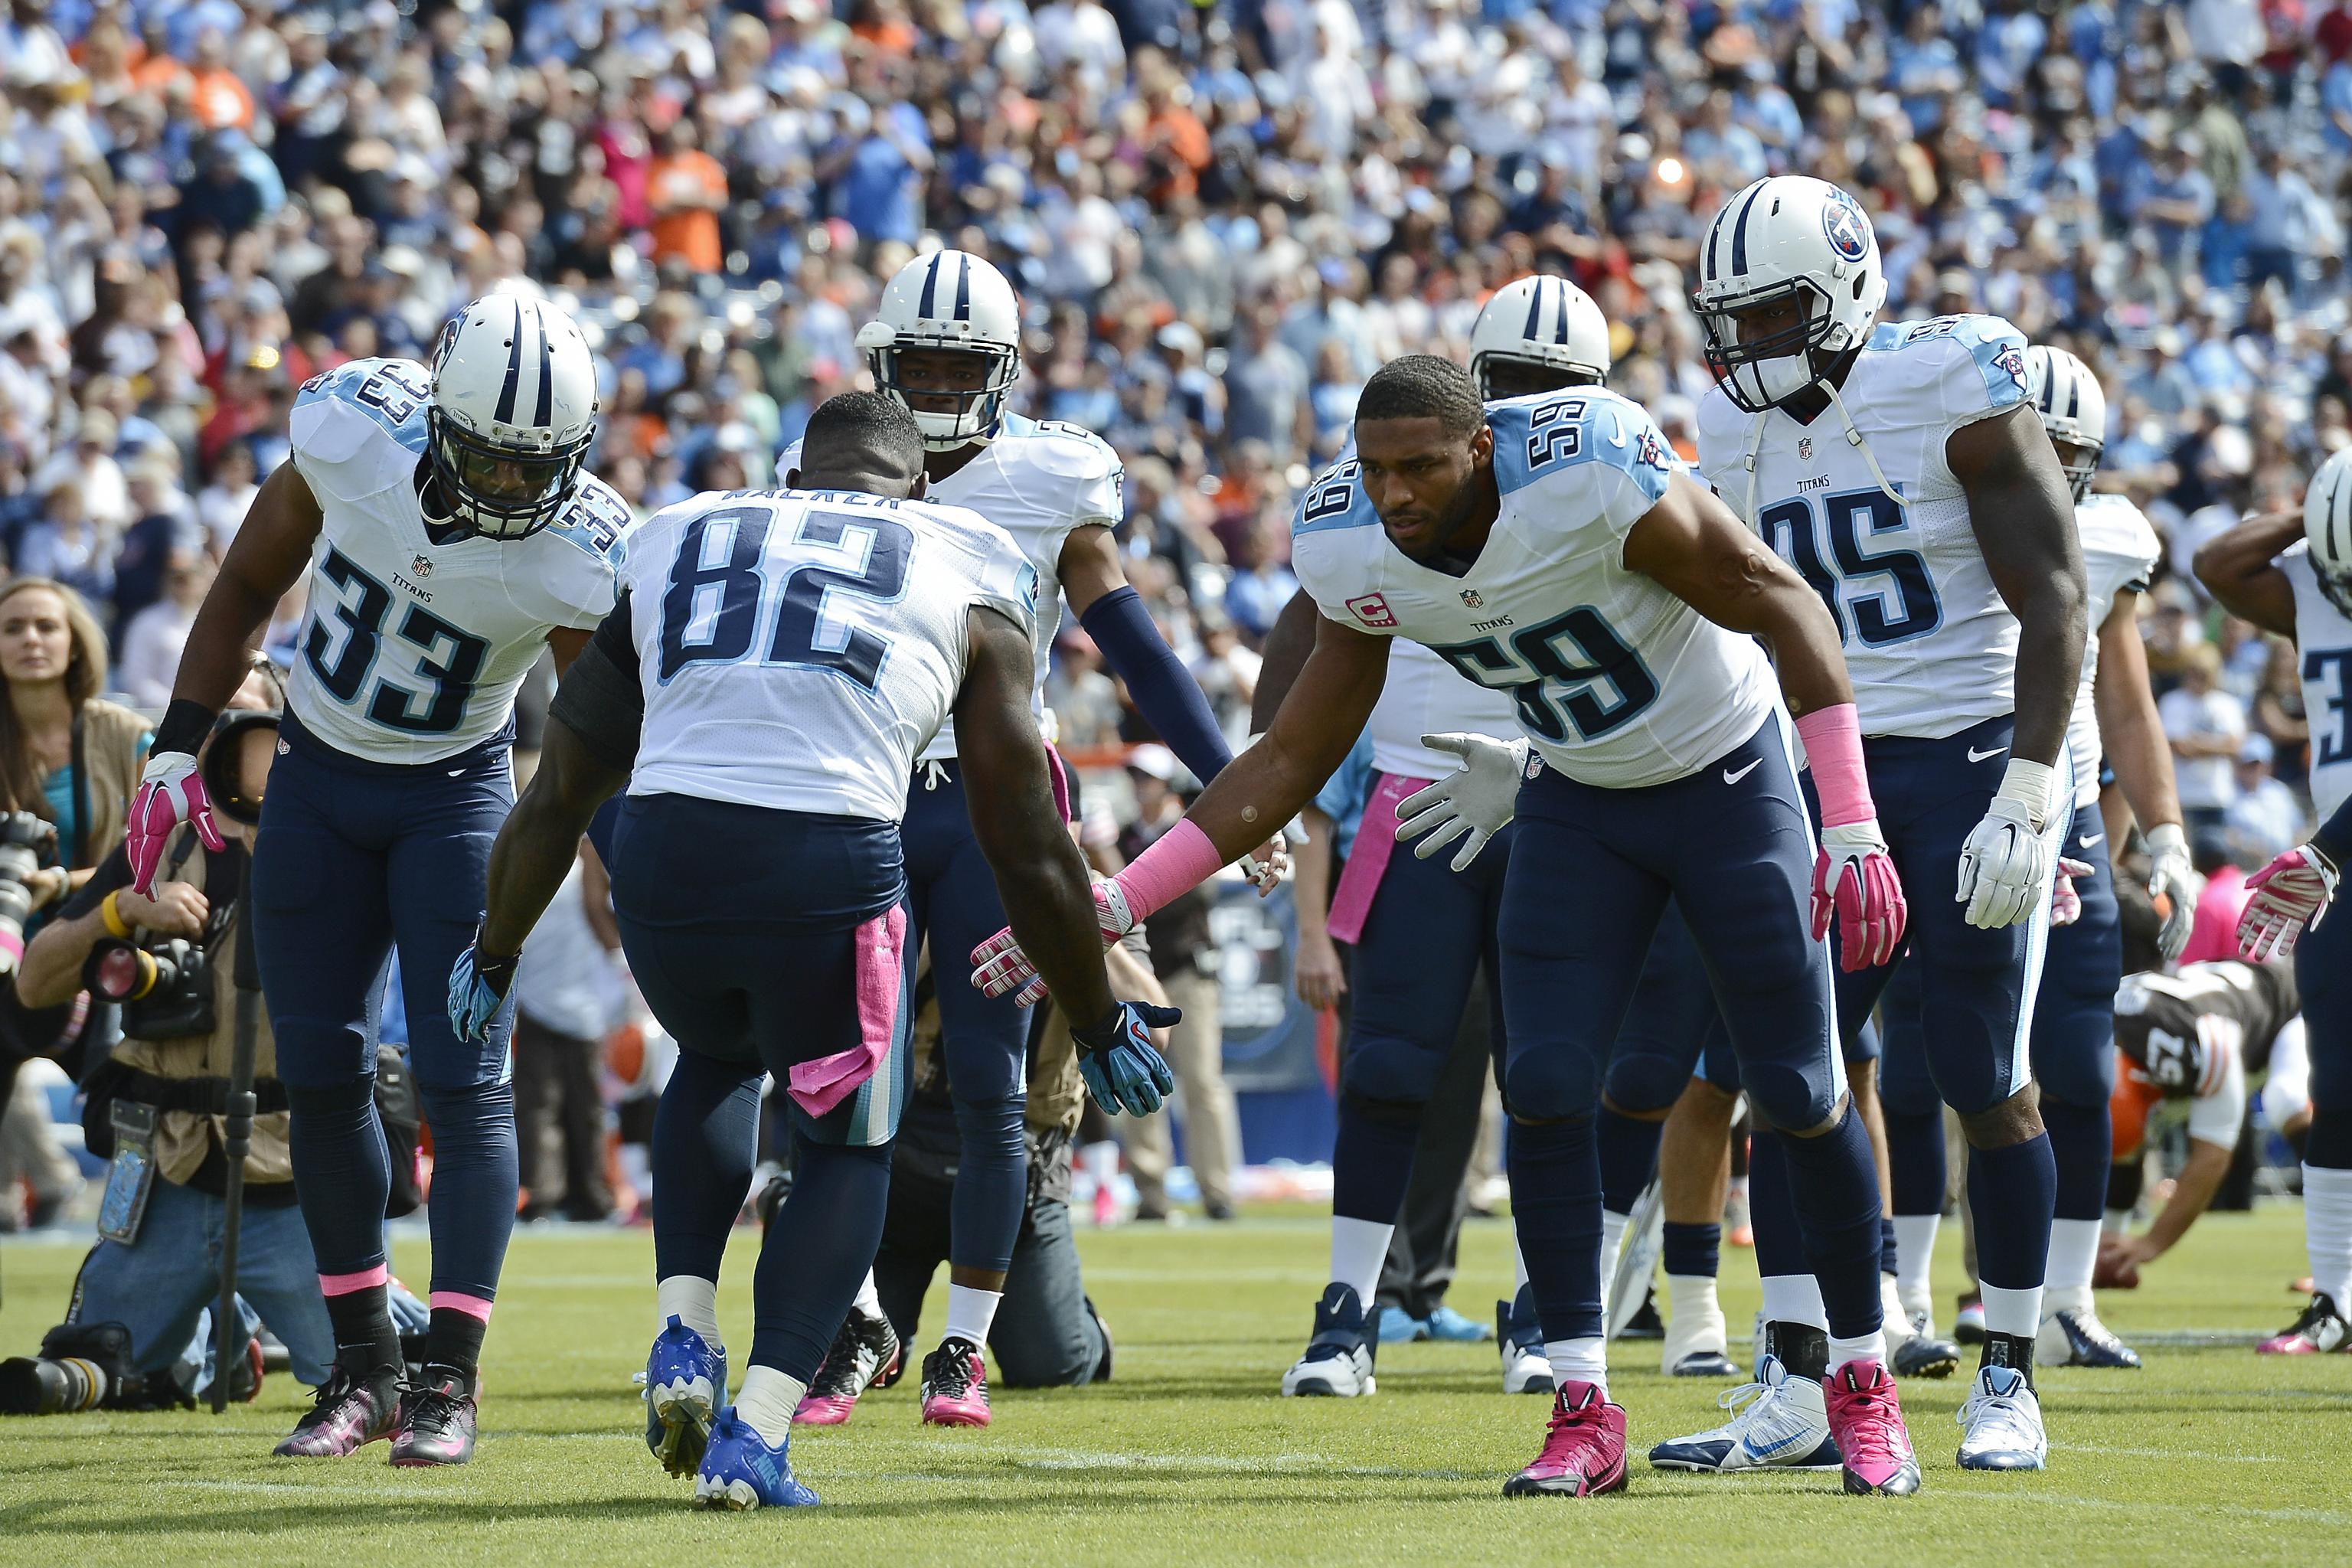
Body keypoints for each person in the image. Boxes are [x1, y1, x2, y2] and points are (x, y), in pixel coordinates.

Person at [972, 354, 1922, 1498]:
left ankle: (1862, 1386)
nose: (1396, 493)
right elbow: (1287, 758)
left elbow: (1782, 599)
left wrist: (1852, 820)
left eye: (1421, 465)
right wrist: (1111, 901)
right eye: (1376, 469)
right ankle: (1582, 1404)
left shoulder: (1588, 471)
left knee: (1801, 1086)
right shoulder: (1354, 543)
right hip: (1576, 793)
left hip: (1728, 776)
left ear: (1482, 449)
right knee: (1548, 1086)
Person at [449, 391, 1174, 1510]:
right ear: (920, 486)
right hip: (826, 864)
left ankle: (683, 1331)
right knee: (845, 1146)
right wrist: (1095, 1012)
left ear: (794, 479)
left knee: (719, 1058)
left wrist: (492, 951)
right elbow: (1028, 848)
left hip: (664, 862)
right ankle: (762, 1434)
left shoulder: (678, 530)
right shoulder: (968, 556)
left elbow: (559, 789)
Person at [120, 295, 629, 1466]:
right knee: (320, 1067)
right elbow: (250, 582)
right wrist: (173, 740)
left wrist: (623, 852)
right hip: (313, 779)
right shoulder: (354, 431)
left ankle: (448, 1377)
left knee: (466, 1083)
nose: (507, 485)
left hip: (455, 799)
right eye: (487, 455)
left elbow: (602, 730)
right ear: (438, 419)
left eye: (532, 465)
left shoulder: (583, 549)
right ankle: (362, 1369)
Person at [780, 250, 1268, 1428]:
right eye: (923, 368)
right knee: (837, 1075)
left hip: (993, 805)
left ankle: (961, 1351)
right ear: (881, 369)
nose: (943, 391)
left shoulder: (1051, 474)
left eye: (965, 368)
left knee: (996, 1082)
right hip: (865, 792)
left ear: (1003, 374)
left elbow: (1133, 641)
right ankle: (847, 1325)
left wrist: (1233, 781)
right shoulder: (829, 463)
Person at [1684, 176, 2089, 1475]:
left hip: (1969, 750)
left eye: (1774, 314)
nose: (1748, 348)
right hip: (1822, 767)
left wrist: (2032, 785)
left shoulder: (1951, 376)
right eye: (1728, 322)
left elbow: (2057, 596)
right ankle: (1801, 1373)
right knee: (1793, 1078)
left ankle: (2007, 1371)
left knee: (1980, 1069)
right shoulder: (1721, 423)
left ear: (1850, 285)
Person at [1251, 276, 1599, 1401]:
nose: (1546, 410)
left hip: (1565, 797)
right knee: (1392, 1063)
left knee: (1553, 1069)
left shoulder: (1610, 486)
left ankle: (1551, 1306)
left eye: (1564, 390)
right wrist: (1265, 796)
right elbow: (1299, 638)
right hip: (1418, 802)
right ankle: (1350, 1308)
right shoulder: (1386, 496)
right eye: (1521, 390)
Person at [1874, 345, 2197, 1374]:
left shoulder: (2108, 538)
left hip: (2066, 829)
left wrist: (2168, 836)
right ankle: (1912, 1298)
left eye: (2069, 455)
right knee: (1925, 1065)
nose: (2051, 472)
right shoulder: (1929, 508)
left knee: (2073, 1066)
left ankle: (2061, 1304)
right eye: (2038, 450)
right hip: (1951, 805)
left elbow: (2126, 702)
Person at [15, 665, 337, 1397]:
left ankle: (244, 1330)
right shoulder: (150, 844)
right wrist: (122, 912)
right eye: (212, 724)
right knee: (80, 1369)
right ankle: (214, 1346)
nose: (228, 742)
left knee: (377, 1371)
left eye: (250, 723)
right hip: (168, 1167)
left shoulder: (330, 837)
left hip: (287, 1176)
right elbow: (34, 981)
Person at [2195, 449, 2352, 1354]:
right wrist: (2313, 513)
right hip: (2323, 862)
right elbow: (2216, 564)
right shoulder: (2313, 582)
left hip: (2326, 854)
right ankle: (2334, 1298)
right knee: (2337, 1081)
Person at [0, 577, 152, 1126]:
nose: (31, 640)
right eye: (12, 628)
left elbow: (159, 852)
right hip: (6, 959)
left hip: (103, 952)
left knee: (124, 1132)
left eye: (46, 626)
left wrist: (64, 883)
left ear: (75, 641)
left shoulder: (126, 735)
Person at [2099, 961, 2297, 1304]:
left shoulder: (2204, 1042)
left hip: (2290, 1005)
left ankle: (2338, 1273)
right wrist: (2108, 1250)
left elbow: (2213, 1156)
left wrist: (2151, 1243)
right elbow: (2124, 1142)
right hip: (2182, 1010)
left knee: (2288, 1100)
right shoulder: (2092, 1033)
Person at [1110, 744, 1240, 1223]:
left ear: (1165, 784)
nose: (1140, 785)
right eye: (1135, 777)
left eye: (1148, 778)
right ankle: (1151, 1192)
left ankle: (1218, 1190)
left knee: (1203, 1082)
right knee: (1138, 1079)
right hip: (1140, 977)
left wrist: (1130, 895)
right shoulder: (1120, 837)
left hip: (1186, 971)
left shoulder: (1187, 834)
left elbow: (1194, 893)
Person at [511, 842, 622, 1223]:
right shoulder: (587, 877)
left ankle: (540, 1192)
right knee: (588, 1109)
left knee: (538, 1107)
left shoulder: (532, 876)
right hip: (586, 1011)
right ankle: (590, 1195)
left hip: (539, 1006)